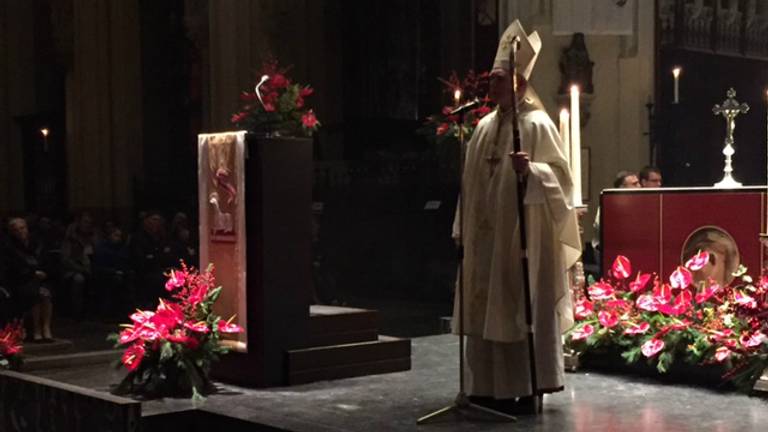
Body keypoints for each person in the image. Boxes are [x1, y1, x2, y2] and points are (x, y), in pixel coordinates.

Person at [452, 20, 581, 415]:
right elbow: (470, 185)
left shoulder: (537, 125)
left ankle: (525, 387)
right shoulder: (484, 127)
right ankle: (486, 387)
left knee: (518, 307)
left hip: (522, 238)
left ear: (519, 84)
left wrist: (534, 172)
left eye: (497, 79)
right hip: (485, 241)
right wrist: (461, 228)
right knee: (485, 309)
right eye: (490, 79)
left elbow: (562, 178)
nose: (489, 86)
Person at [4, 217, 54, 341]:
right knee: (35, 295)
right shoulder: (9, 246)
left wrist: (44, 272)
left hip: (40, 279)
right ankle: (36, 329)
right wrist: (32, 273)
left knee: (46, 294)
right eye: (16, 230)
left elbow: (45, 261)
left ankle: (46, 327)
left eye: (22, 228)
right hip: (21, 281)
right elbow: (13, 268)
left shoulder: (36, 243)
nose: (20, 232)